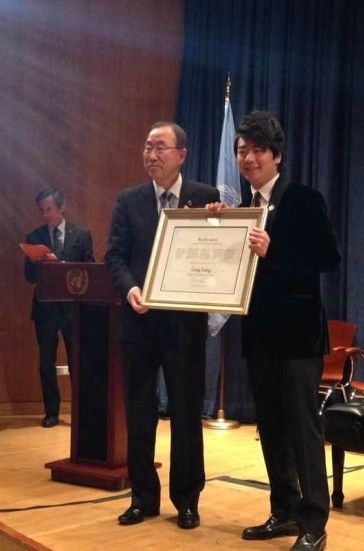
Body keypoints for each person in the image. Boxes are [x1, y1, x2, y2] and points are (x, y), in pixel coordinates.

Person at [208, 111, 340, 551]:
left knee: (304, 431)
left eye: (257, 150)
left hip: (299, 339)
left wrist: (275, 249)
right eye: (241, 150)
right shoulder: (244, 207)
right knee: (272, 428)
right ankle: (283, 510)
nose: (248, 158)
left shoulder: (304, 199)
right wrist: (217, 228)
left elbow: (329, 257)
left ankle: (314, 525)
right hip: (259, 336)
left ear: (277, 156)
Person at [105, 121, 219, 530]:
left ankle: (187, 500)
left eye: (160, 147)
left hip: (184, 327)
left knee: (186, 414)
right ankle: (143, 498)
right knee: (139, 412)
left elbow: (217, 253)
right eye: (147, 147)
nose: (151, 155)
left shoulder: (205, 198)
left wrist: (220, 225)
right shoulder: (128, 200)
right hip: (139, 324)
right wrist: (130, 289)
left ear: (181, 155)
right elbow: (114, 256)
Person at [24, 188, 94, 428]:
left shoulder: (81, 235)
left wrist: (62, 265)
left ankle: (82, 411)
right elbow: (28, 276)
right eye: (42, 210)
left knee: (78, 361)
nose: (46, 214)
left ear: (62, 208)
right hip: (44, 310)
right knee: (46, 363)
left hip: (73, 310)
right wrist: (40, 263)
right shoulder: (34, 237)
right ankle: (51, 413)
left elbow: (90, 273)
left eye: (49, 209)